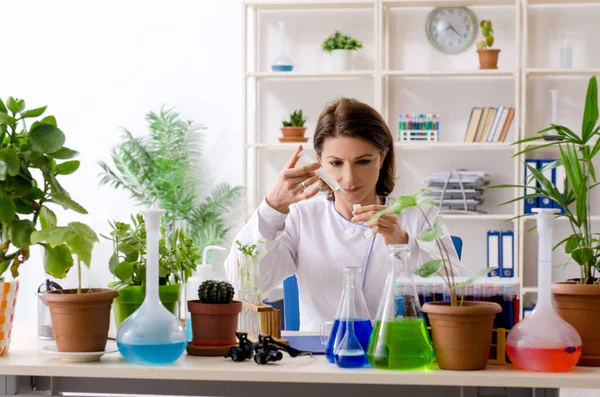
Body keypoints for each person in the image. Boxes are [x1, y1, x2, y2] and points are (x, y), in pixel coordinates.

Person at [224, 97, 467, 331]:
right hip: (319, 359)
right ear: (319, 162)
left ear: (382, 157)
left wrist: (404, 244)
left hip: (397, 355)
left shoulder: (419, 215)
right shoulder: (301, 218)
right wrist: (271, 210)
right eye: (336, 163)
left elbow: (459, 292)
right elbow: (242, 287)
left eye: (363, 161)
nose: (349, 178)